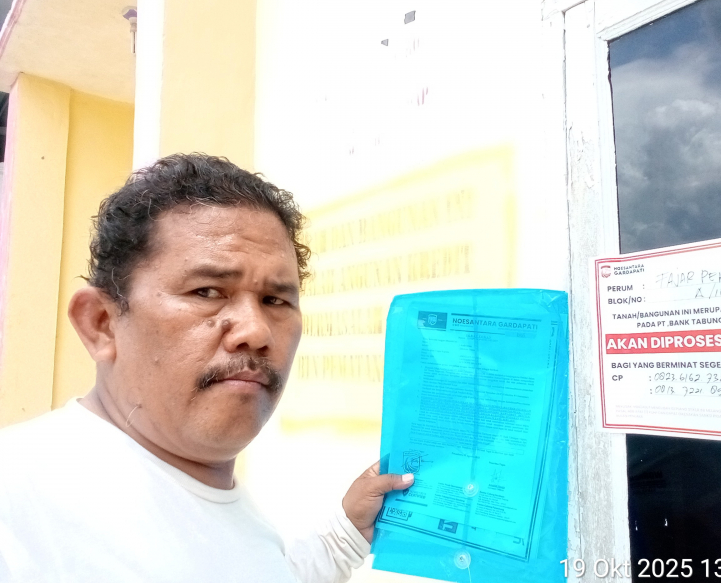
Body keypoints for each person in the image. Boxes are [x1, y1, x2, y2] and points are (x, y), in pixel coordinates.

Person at [0, 154, 414, 582]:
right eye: (207, 291)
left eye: (275, 300)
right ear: (102, 323)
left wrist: (344, 537)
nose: (255, 331)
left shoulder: (237, 514)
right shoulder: (15, 501)